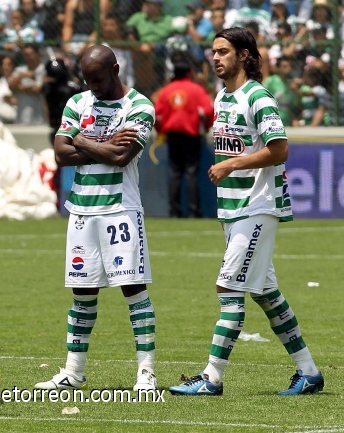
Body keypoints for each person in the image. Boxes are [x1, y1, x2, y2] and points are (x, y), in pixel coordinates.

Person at [169, 27, 324, 396]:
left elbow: (280, 148)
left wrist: (233, 164)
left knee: (228, 288)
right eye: (213, 52)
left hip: (258, 207)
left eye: (223, 51)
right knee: (266, 294)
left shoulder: (258, 97)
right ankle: (309, 372)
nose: (215, 58)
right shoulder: (222, 97)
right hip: (234, 210)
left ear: (244, 55)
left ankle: (211, 377)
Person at [35, 45, 158, 392]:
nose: (93, 86)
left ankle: (146, 373)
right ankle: (73, 373)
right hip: (81, 210)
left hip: (120, 209)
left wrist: (80, 139)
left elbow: (122, 156)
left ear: (116, 69)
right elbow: (60, 153)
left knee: (133, 291)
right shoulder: (78, 102)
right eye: (88, 80)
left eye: (99, 79)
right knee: (82, 293)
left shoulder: (139, 106)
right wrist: (98, 143)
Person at [154, 61, 213, 218]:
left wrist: (160, 131)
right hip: (191, 135)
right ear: (188, 72)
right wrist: (207, 127)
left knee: (174, 172)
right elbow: (208, 110)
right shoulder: (196, 89)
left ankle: (174, 211)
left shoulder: (166, 91)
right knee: (191, 172)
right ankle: (194, 211)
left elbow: (155, 114)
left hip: (172, 135)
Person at [8, 43, 47, 124]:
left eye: (30, 54)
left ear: (38, 54)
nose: (28, 57)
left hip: (39, 116)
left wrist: (21, 88)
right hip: (22, 116)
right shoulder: (20, 70)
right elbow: (11, 86)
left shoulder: (44, 70)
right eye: (25, 55)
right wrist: (21, 76)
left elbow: (38, 89)